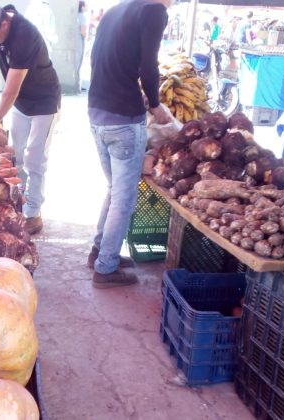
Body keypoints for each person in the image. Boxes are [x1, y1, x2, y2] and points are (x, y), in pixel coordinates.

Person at [87, 0, 172, 288]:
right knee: (124, 199)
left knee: (114, 191)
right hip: (123, 119)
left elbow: (103, 60)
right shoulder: (154, 11)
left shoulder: (116, 10)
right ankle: (106, 267)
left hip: (97, 113)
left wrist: (135, 89)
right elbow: (150, 65)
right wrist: (156, 104)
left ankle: (100, 251)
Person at [0, 0, 61, 235]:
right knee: (15, 156)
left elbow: (12, 88)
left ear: (3, 25)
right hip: (20, 103)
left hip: (44, 102)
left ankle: (33, 212)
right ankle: (15, 205)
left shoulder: (25, 35)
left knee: (35, 159)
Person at [78, 1, 88, 78]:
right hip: (80, 41)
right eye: (85, 5)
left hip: (75, 41)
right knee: (80, 61)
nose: (87, 7)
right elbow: (82, 32)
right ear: (82, 7)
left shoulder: (76, 15)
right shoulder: (83, 16)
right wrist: (86, 36)